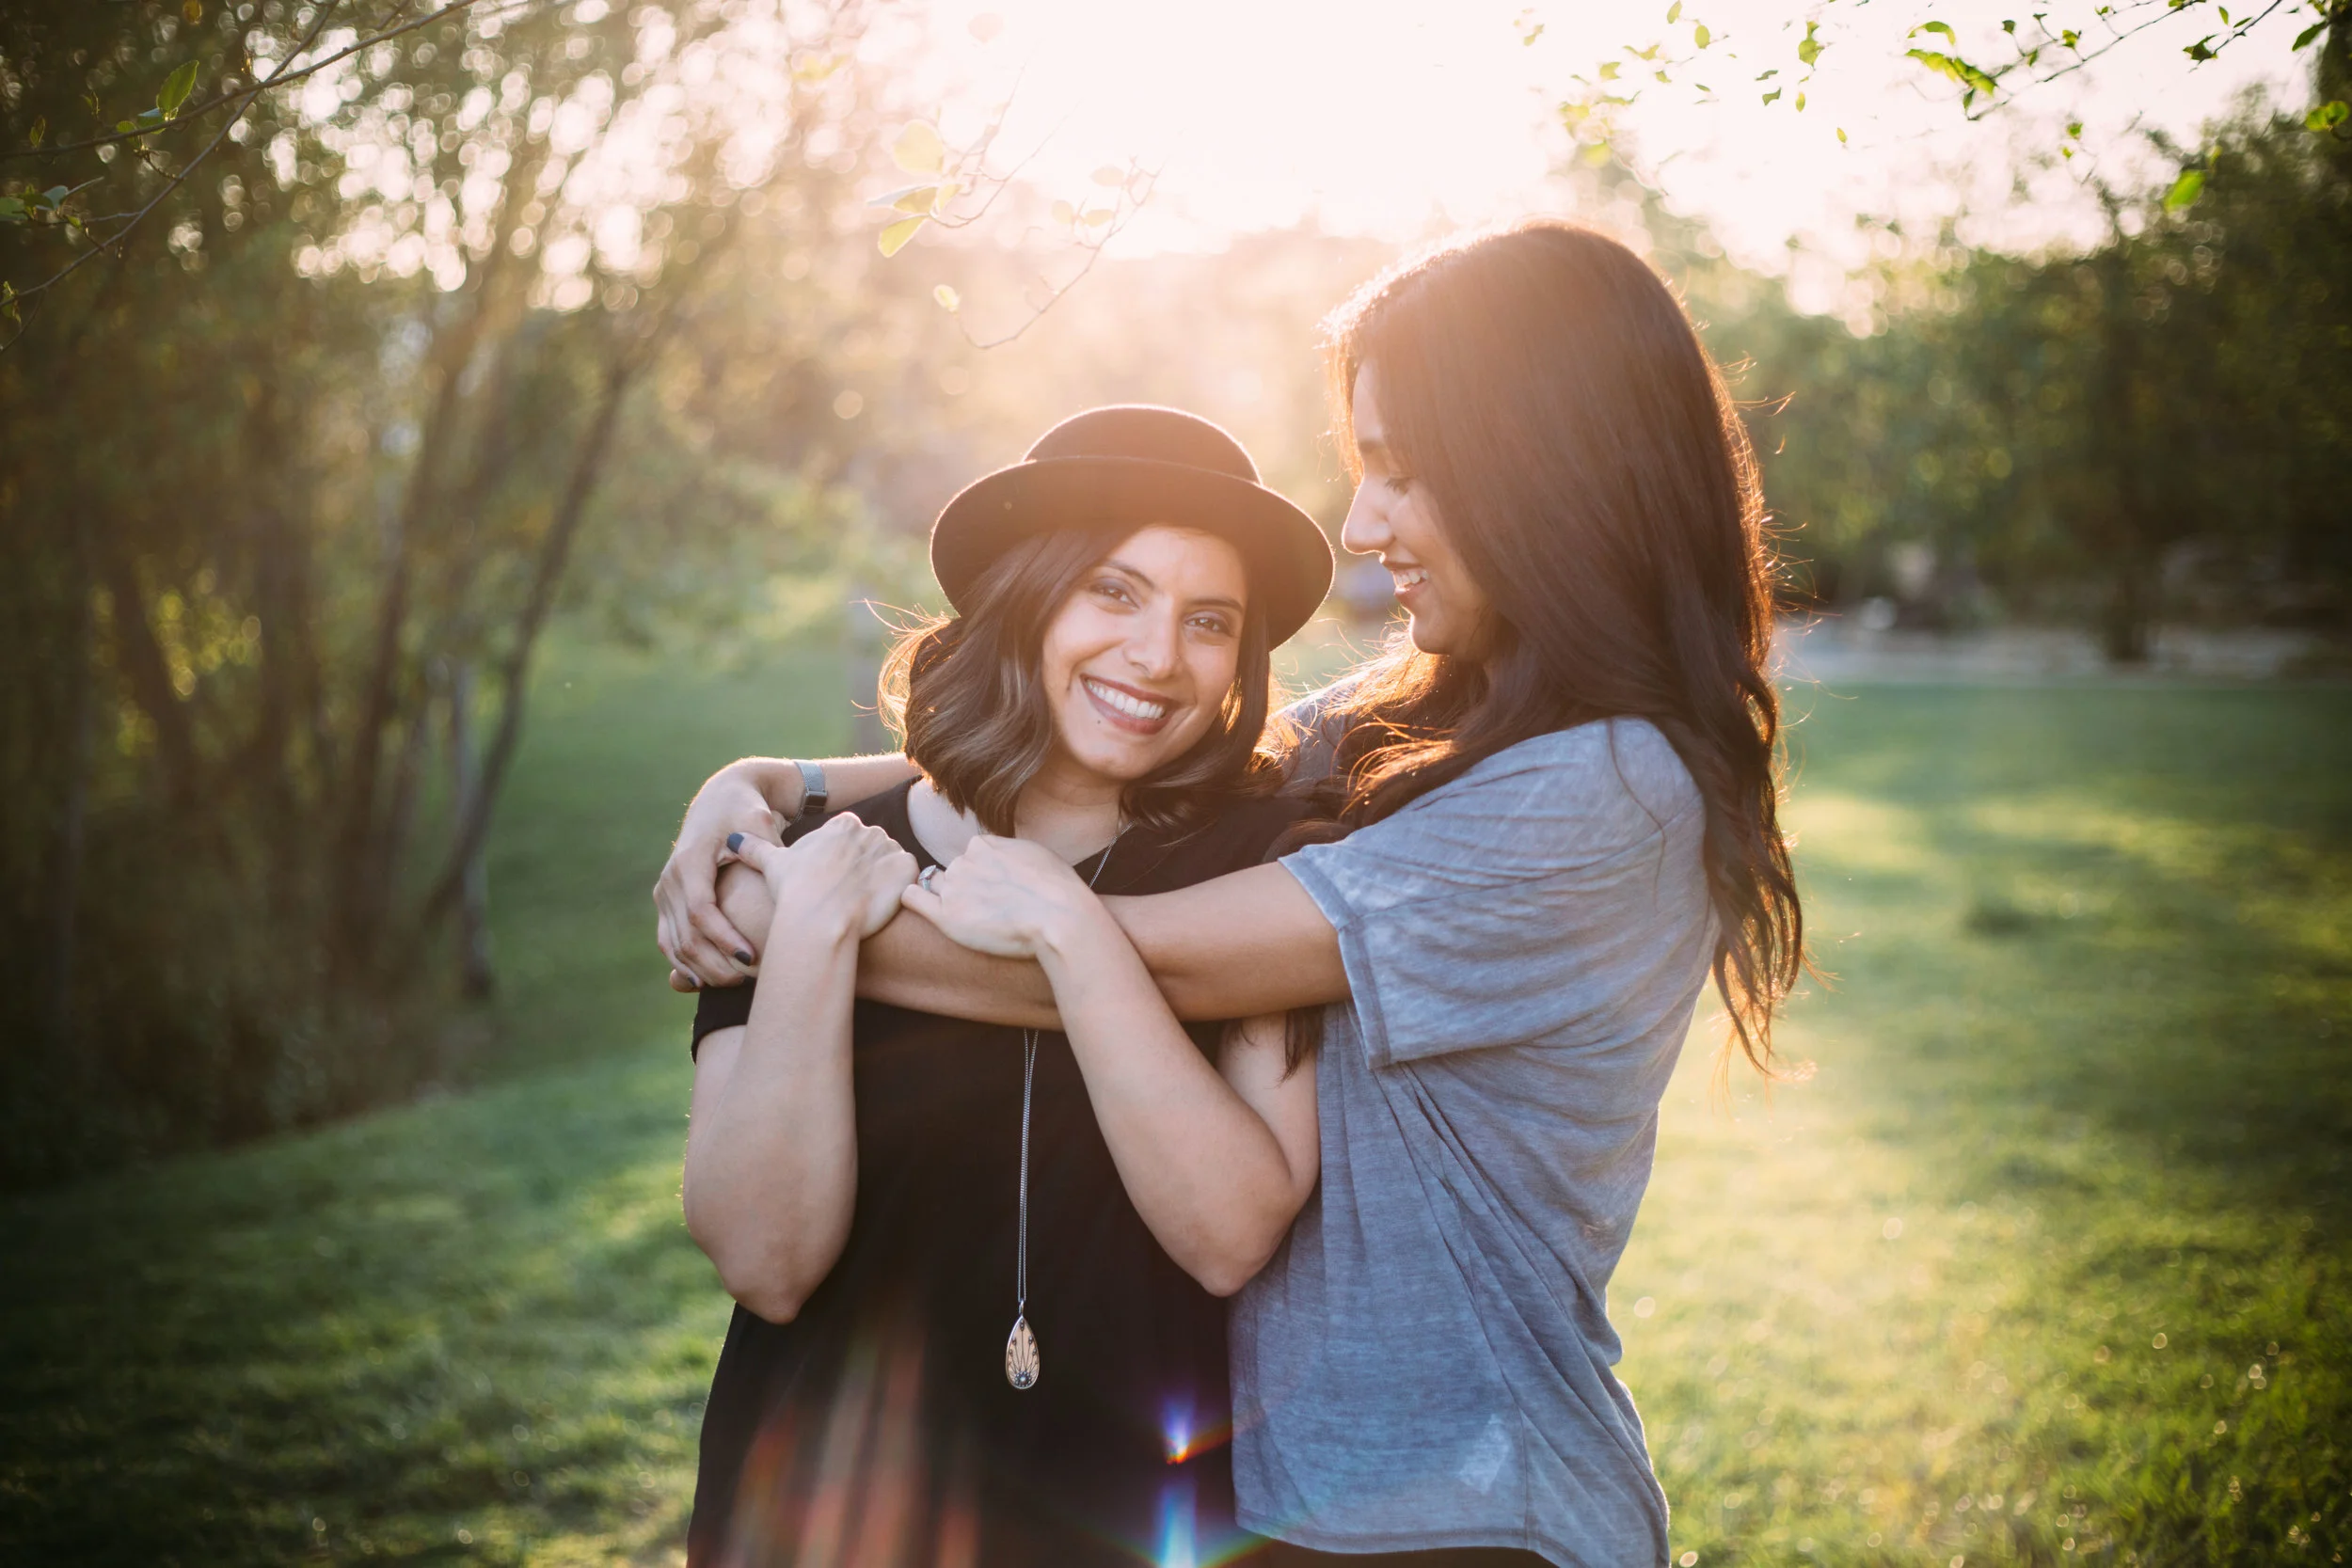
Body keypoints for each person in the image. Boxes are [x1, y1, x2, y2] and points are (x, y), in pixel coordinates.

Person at [663, 219, 1804, 1568]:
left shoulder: (1601, 788)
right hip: (1287, 1503)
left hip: (1457, 1506)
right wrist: (764, 784)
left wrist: (792, 914)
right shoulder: (1420, 717)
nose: (1366, 524)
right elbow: (1142, 725)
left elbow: (1157, 956)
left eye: (1403, 471)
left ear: (1544, 472)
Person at [677, 404, 1335, 1567]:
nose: (1156, 655)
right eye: (1113, 591)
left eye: (1209, 620)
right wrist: (814, 935)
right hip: (827, 1509)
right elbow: (765, 1264)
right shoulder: (807, 862)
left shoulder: (1254, 875)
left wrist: (1070, 927)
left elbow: (1231, 1234)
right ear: (1025, 596)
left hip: (1132, 1509)